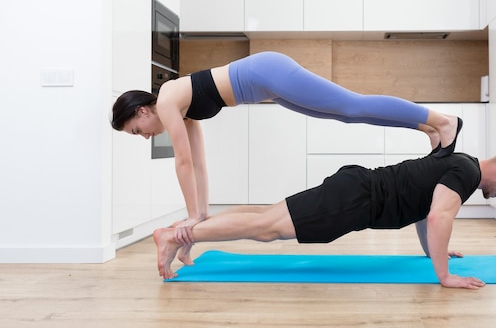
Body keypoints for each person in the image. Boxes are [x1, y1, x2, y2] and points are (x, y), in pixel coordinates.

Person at [111, 51, 462, 265]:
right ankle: (426, 126)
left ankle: (441, 121)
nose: (143, 136)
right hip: (267, 84)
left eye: (136, 129)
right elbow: (198, 163)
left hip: (268, 73)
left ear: (142, 110)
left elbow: (183, 162)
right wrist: (199, 218)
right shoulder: (182, 106)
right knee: (346, 113)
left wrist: (191, 217)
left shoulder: (169, 98)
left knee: (350, 104)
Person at [153, 149, 496, 289]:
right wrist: (444, 276)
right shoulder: (466, 174)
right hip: (356, 201)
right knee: (267, 229)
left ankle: (185, 235)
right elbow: (437, 217)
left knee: (266, 218)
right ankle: (175, 237)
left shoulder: (463, 163)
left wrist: (437, 252)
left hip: (354, 186)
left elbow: (426, 216)